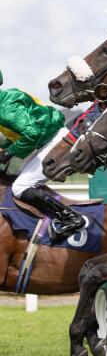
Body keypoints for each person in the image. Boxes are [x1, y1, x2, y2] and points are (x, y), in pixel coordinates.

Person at [0, 72, 85, 241]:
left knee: (20, 187)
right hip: (50, 140)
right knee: (18, 180)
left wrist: (8, 153)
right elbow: (20, 134)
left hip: (55, 142)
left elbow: (32, 134)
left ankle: (71, 218)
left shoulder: (3, 108)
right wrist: (6, 150)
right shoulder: (5, 99)